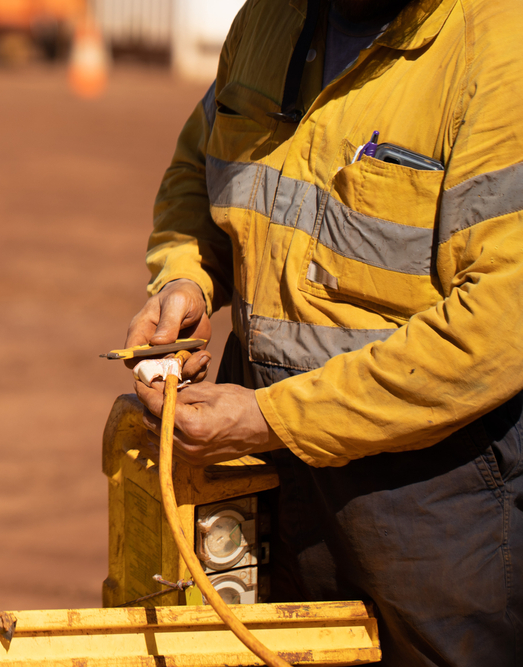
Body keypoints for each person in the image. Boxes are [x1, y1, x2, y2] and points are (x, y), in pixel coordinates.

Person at [125, 0, 522, 663]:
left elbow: (497, 327)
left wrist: (274, 418)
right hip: (267, 474)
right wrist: (186, 278)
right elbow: (203, 165)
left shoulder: (497, 48)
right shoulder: (268, 20)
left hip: (434, 502)